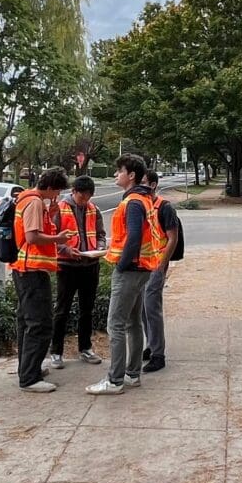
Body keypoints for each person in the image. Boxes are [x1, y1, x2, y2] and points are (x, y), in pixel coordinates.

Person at [88, 155, 164, 396]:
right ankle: (132, 375)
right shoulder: (144, 198)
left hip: (130, 269)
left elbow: (133, 238)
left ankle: (115, 380)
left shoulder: (133, 201)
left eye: (118, 171)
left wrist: (120, 264)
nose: (115, 175)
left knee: (116, 324)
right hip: (141, 268)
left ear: (131, 175)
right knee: (132, 323)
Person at [12, 169, 69, 393]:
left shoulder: (29, 199)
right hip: (32, 270)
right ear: (52, 188)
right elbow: (32, 236)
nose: (58, 195)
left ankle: (28, 368)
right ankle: (29, 378)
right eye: (58, 191)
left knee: (27, 321)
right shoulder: (34, 202)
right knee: (40, 323)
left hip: (25, 268)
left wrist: (51, 212)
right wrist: (59, 238)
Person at [50, 175, 105, 370]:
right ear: (74, 192)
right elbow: (52, 235)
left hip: (90, 264)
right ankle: (56, 351)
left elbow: (100, 234)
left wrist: (100, 247)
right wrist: (66, 250)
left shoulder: (93, 209)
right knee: (62, 310)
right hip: (67, 266)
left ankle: (85, 348)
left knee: (87, 309)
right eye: (82, 197)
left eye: (88, 197)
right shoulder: (61, 209)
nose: (85, 201)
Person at [140, 169, 182, 373]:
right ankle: (150, 345)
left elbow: (172, 238)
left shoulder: (163, 207)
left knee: (151, 306)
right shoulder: (141, 205)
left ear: (153, 185)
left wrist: (162, 263)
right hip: (142, 263)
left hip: (157, 262)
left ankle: (158, 354)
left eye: (144, 182)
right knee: (143, 308)